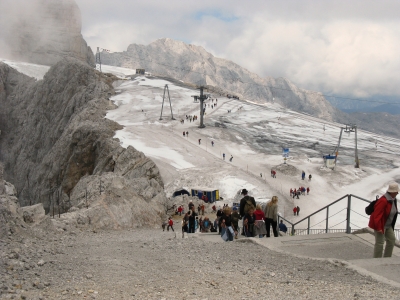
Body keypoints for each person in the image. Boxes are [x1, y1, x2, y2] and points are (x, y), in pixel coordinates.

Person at [369, 182, 398, 258]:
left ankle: (387, 258)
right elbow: (377, 215)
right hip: (381, 224)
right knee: (380, 243)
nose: (398, 193)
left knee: (391, 240)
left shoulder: (393, 199)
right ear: (393, 192)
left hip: (388, 225)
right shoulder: (383, 200)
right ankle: (377, 260)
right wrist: (378, 228)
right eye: (396, 191)